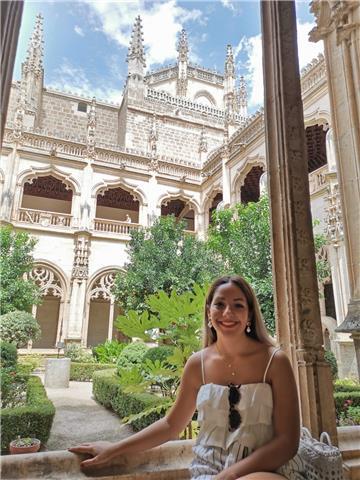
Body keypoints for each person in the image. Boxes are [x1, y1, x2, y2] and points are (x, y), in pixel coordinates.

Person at [69, 275, 305, 479]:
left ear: (250, 314)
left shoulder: (275, 361)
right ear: (208, 312)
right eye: (219, 304)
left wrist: (231, 475)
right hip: (208, 470)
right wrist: (114, 449)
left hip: (261, 471)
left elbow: (287, 441)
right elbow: (171, 425)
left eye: (238, 305)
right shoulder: (197, 364)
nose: (227, 313)